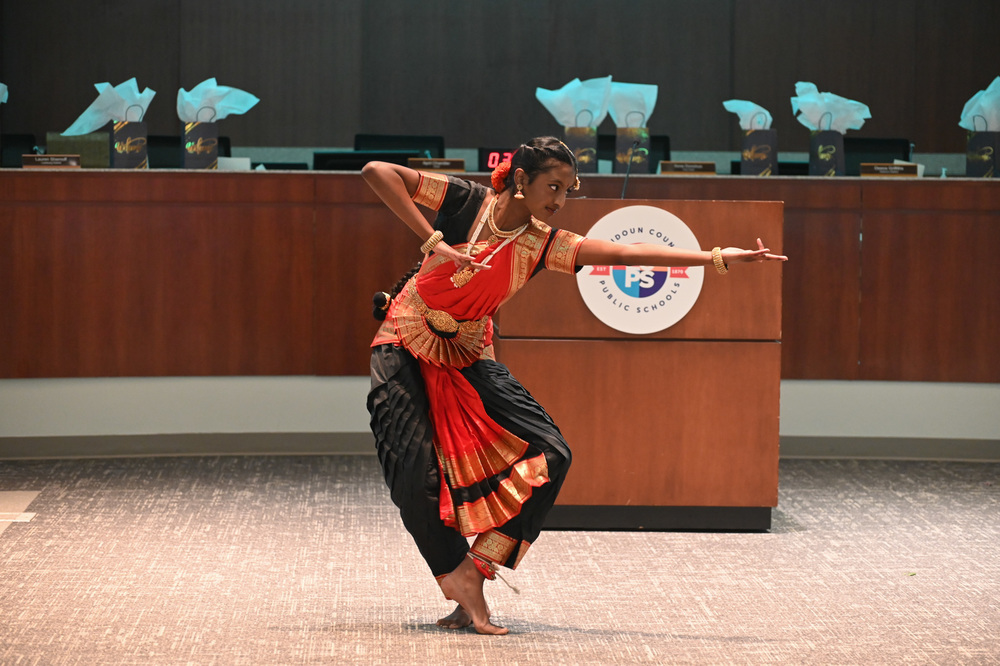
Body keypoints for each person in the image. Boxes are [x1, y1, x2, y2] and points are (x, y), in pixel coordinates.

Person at [362, 136, 787, 635]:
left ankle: (477, 567)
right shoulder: (463, 201)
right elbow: (376, 171)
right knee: (414, 476)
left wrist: (717, 256)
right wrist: (433, 241)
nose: (560, 200)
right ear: (520, 180)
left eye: (568, 189)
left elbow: (626, 254)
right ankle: (455, 577)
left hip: (468, 354)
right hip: (403, 341)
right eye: (553, 187)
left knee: (552, 452)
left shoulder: (544, 244)